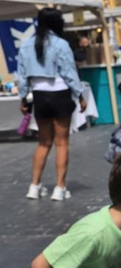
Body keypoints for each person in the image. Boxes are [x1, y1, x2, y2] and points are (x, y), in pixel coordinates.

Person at [16, 8, 86, 202]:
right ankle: (59, 188)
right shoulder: (61, 44)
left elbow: (22, 75)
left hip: (39, 95)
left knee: (43, 142)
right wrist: (79, 95)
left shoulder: (27, 44)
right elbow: (70, 73)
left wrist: (23, 99)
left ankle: (34, 186)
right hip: (60, 93)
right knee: (61, 142)